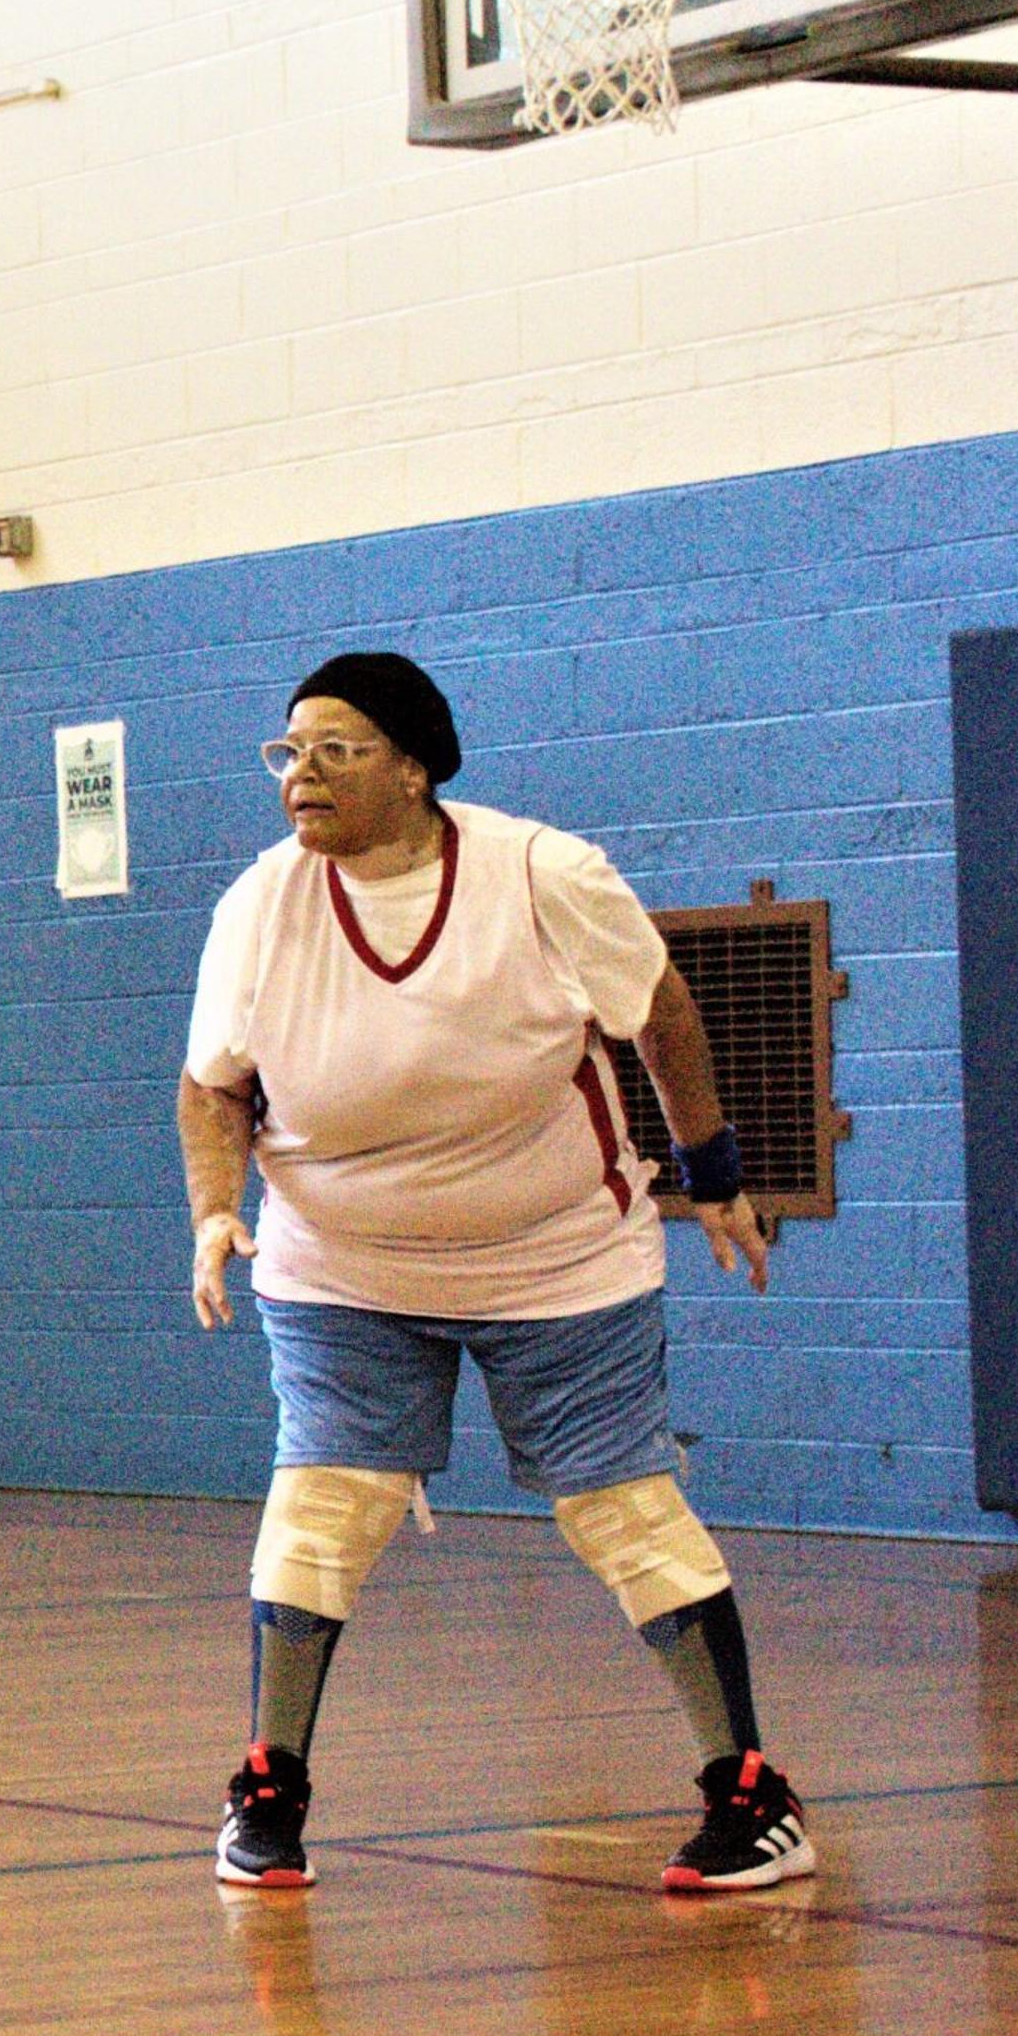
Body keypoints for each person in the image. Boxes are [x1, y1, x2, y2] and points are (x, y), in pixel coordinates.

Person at [180, 651, 813, 1896]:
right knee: (327, 1499)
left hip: (558, 1252)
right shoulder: (262, 902)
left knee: (622, 1508)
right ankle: (269, 1786)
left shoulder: (540, 873)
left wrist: (716, 1173)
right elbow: (214, 1084)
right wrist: (214, 1213)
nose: (300, 772)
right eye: (288, 750)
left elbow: (663, 1015)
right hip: (344, 1258)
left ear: (414, 768)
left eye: (336, 748)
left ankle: (751, 1794)